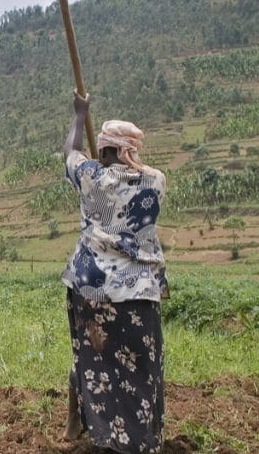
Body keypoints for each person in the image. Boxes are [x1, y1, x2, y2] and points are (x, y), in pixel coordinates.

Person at [61, 93, 168, 453]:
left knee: (93, 357)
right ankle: (140, 437)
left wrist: (80, 116)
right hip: (140, 292)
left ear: (106, 151)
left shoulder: (91, 177)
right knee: (142, 366)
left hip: (92, 288)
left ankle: (98, 429)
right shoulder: (156, 182)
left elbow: (70, 153)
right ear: (131, 151)